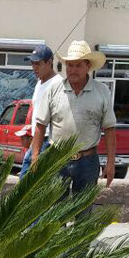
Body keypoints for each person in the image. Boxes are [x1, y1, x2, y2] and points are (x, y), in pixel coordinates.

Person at [31, 40, 116, 191]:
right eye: (70, 65)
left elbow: (109, 128)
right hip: (56, 159)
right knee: (56, 211)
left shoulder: (102, 92)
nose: (73, 70)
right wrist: (35, 157)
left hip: (88, 161)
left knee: (84, 212)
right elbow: (40, 125)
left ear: (88, 66)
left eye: (78, 65)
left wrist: (110, 163)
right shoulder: (53, 90)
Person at [19, 45, 61, 178]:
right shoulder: (39, 82)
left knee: (29, 185)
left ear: (49, 63)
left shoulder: (58, 84)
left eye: (38, 63)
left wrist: (36, 153)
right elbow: (36, 110)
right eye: (32, 63)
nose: (34, 67)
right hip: (35, 141)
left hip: (48, 142)